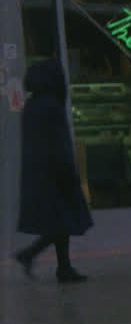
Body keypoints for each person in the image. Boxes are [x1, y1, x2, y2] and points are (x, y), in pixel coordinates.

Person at [13, 59, 93, 283]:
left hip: (40, 174)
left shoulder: (32, 105)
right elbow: (59, 142)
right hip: (57, 173)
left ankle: (60, 266)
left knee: (58, 221)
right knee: (62, 221)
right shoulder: (52, 106)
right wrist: (69, 170)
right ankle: (35, 256)